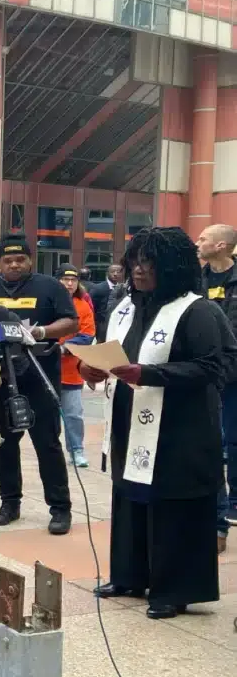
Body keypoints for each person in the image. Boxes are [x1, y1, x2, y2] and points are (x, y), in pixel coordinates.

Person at [79, 227, 234, 619]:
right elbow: (107, 350)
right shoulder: (125, 306)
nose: (139, 270)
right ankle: (129, 575)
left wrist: (148, 374)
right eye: (135, 261)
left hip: (180, 427)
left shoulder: (198, 311)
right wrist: (89, 369)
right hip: (128, 419)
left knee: (172, 505)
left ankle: (173, 589)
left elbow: (214, 367)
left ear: (174, 267)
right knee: (130, 497)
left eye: (150, 263)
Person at [0, 234, 79, 534]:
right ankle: (9, 503)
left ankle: (60, 508)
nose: (14, 265)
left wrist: (40, 332)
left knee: (47, 444)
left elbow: (71, 321)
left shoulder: (49, 286)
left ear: (30, 260)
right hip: (1, 378)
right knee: (4, 445)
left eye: (20, 260)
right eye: (8, 260)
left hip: (40, 376)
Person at [195, 223, 237, 550]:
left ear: (221, 245)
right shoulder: (198, 280)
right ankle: (215, 507)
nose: (198, 243)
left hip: (234, 372)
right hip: (205, 372)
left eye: (203, 239)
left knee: (234, 440)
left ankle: (234, 500)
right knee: (208, 439)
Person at [57, 265, 95, 468]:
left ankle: (76, 450)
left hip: (72, 371)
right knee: (47, 417)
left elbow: (87, 336)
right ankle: (51, 452)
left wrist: (63, 348)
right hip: (44, 369)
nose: (70, 283)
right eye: (65, 279)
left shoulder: (82, 306)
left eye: (73, 280)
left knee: (73, 414)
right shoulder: (47, 301)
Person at [89, 263, 126, 342]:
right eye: (113, 272)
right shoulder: (98, 288)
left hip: (116, 325)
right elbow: (90, 307)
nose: (115, 274)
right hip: (101, 326)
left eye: (118, 272)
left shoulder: (123, 289)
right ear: (107, 273)